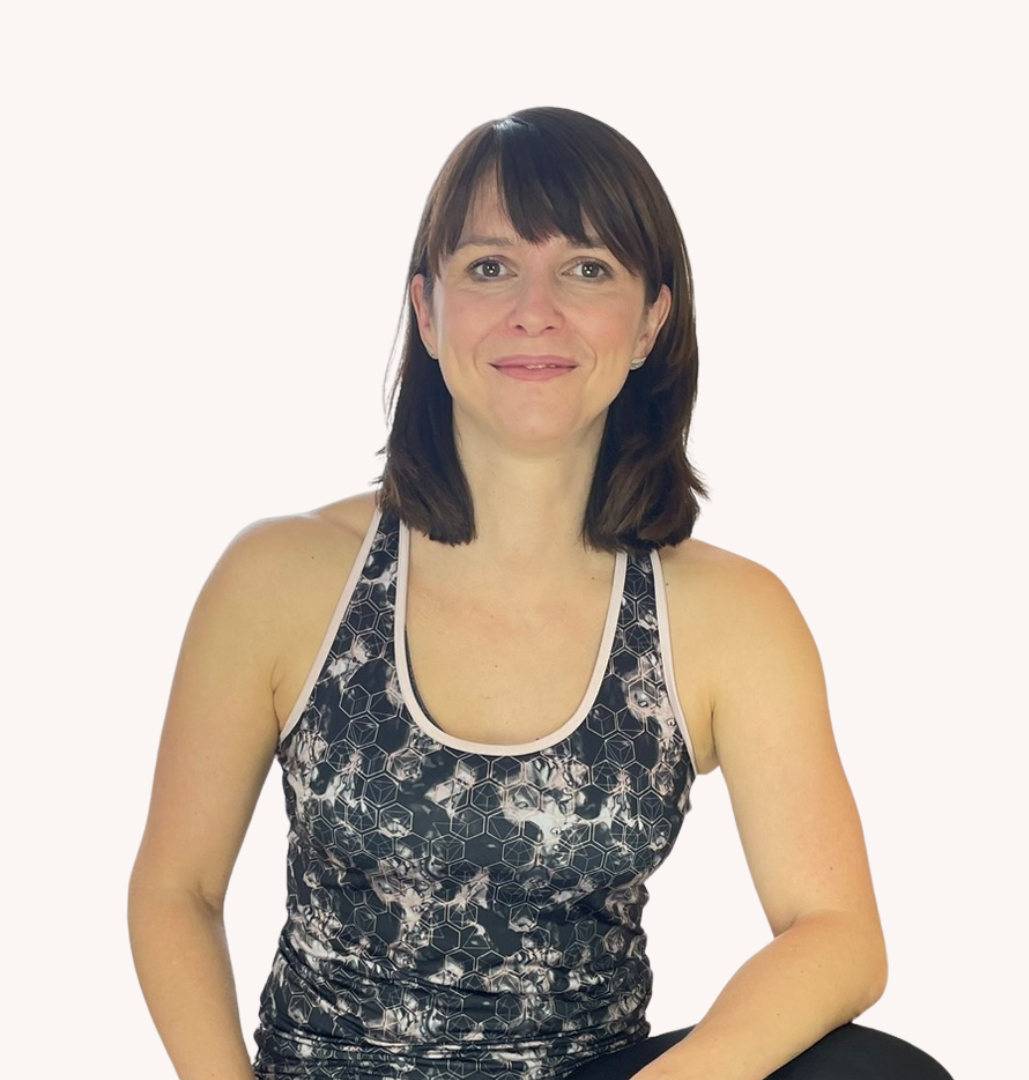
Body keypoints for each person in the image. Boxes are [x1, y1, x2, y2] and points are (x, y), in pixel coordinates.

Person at [128, 107, 954, 1080]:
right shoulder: (283, 577)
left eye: (587, 269)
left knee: (879, 1075)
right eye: (490, 267)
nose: (536, 309)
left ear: (650, 322)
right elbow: (177, 890)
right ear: (428, 312)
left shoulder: (728, 616)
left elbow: (837, 933)